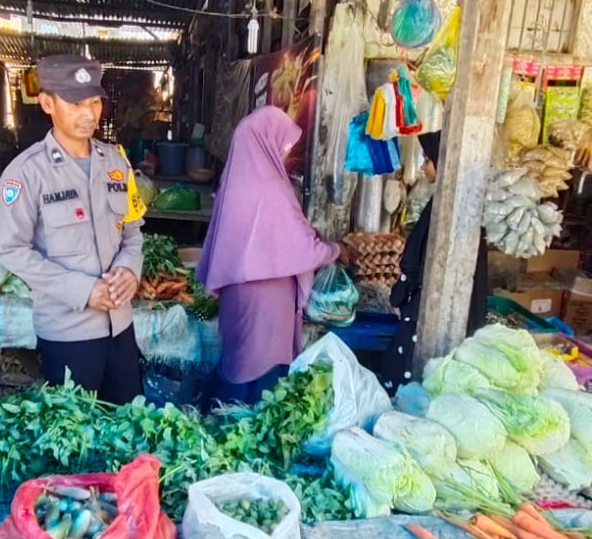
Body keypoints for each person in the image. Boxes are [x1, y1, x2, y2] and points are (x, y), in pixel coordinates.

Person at [0, 54, 147, 404]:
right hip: (67, 333)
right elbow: (12, 249)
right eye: (75, 103)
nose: (88, 113)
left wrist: (128, 270)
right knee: (76, 447)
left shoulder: (116, 163)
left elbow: (133, 232)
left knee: (128, 432)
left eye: (94, 102)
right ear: (47, 103)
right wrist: (83, 290)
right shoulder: (26, 173)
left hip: (120, 329)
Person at [196, 106, 351, 407]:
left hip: (237, 297)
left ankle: (222, 423)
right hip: (268, 299)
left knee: (238, 363)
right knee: (262, 375)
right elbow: (302, 248)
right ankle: (249, 433)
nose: (285, 152)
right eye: (284, 144)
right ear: (265, 140)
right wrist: (335, 250)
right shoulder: (272, 187)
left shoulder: (234, 182)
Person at [380, 131, 489, 395]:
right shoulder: (443, 201)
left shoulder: (449, 207)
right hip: (429, 299)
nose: (422, 166)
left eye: (427, 160)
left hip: (432, 302)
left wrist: (401, 295)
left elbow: (420, 259)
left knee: (410, 369)